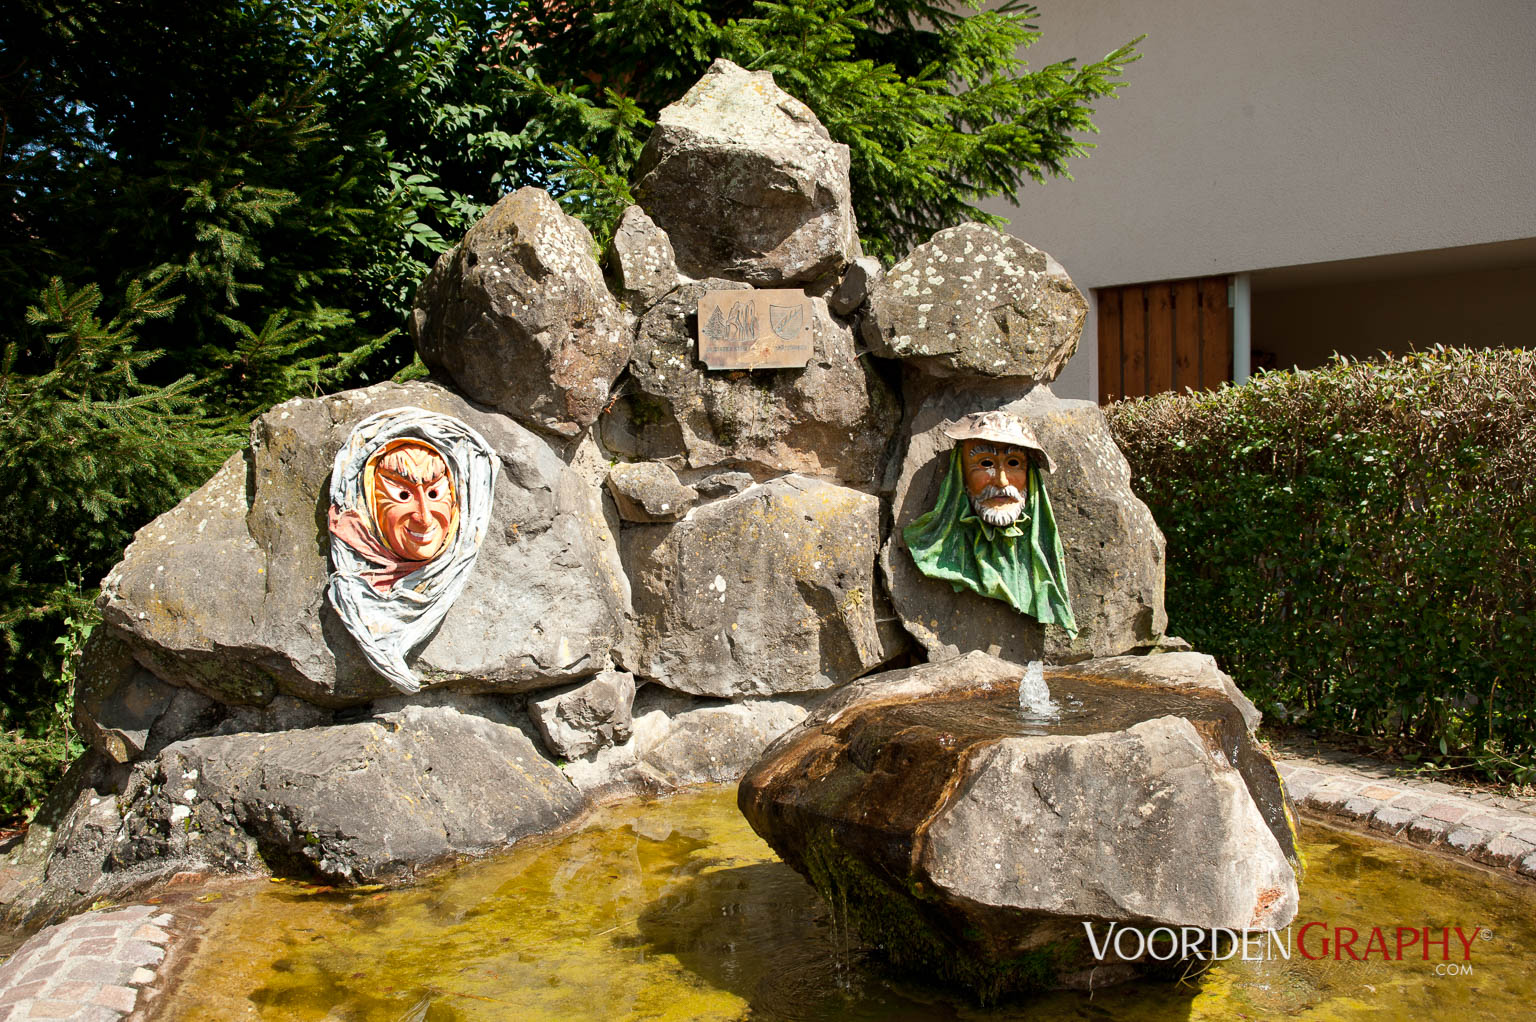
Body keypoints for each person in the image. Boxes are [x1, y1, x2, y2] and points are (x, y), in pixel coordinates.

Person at [903, 409, 1077, 634]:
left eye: (1013, 463)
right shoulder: (930, 545)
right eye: (986, 463)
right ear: (960, 473)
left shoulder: (1038, 547)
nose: (1002, 481)